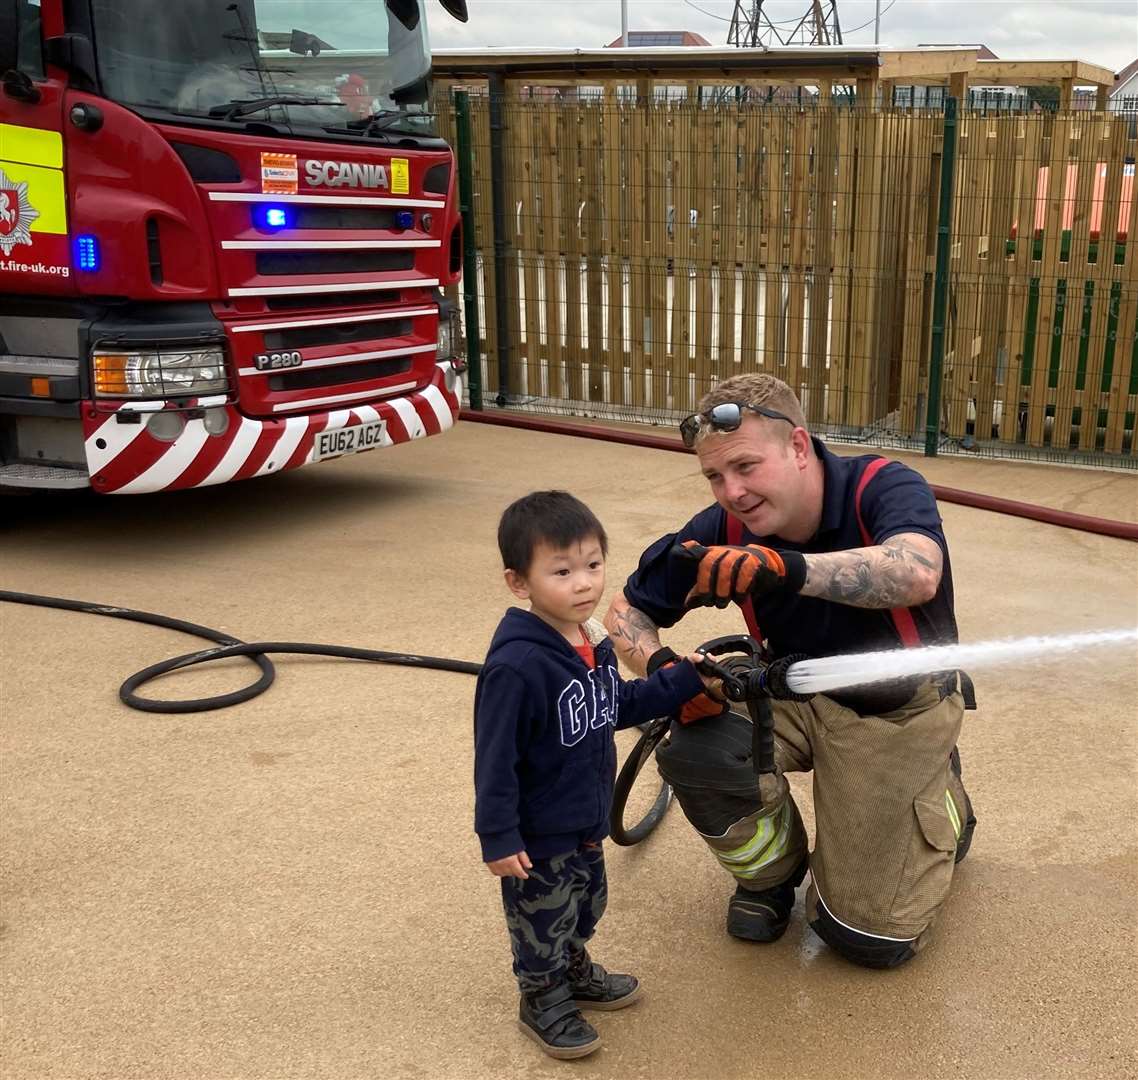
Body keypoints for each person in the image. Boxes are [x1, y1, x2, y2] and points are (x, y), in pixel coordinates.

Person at [603, 373, 976, 970]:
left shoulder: (881, 487)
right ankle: (770, 878)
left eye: (746, 467)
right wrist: (662, 668)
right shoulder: (722, 529)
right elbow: (623, 611)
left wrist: (787, 568)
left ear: (798, 447)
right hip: (786, 686)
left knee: (867, 939)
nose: (733, 491)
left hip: (895, 707)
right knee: (696, 747)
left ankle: (943, 799)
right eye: (714, 476)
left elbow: (917, 571)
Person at [474, 490, 716, 1059]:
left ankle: (572, 967)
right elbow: (494, 759)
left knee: (586, 901)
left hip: (584, 816)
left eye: (592, 565)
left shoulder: (593, 644)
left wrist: (682, 679)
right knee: (542, 915)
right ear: (519, 582)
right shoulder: (517, 666)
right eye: (561, 571)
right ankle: (541, 994)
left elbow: (617, 708)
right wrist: (498, 835)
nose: (583, 583)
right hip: (537, 830)